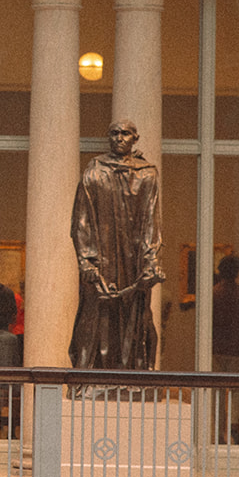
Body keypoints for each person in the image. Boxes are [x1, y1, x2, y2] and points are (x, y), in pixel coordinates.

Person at [69, 119, 165, 370]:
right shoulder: (94, 172)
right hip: (102, 260)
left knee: (137, 316)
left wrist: (150, 258)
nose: (119, 138)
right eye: (114, 133)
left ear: (135, 138)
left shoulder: (147, 174)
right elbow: (82, 220)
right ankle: (89, 375)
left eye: (125, 133)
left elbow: (152, 220)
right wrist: (86, 261)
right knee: (95, 316)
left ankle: (134, 377)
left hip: (134, 260)